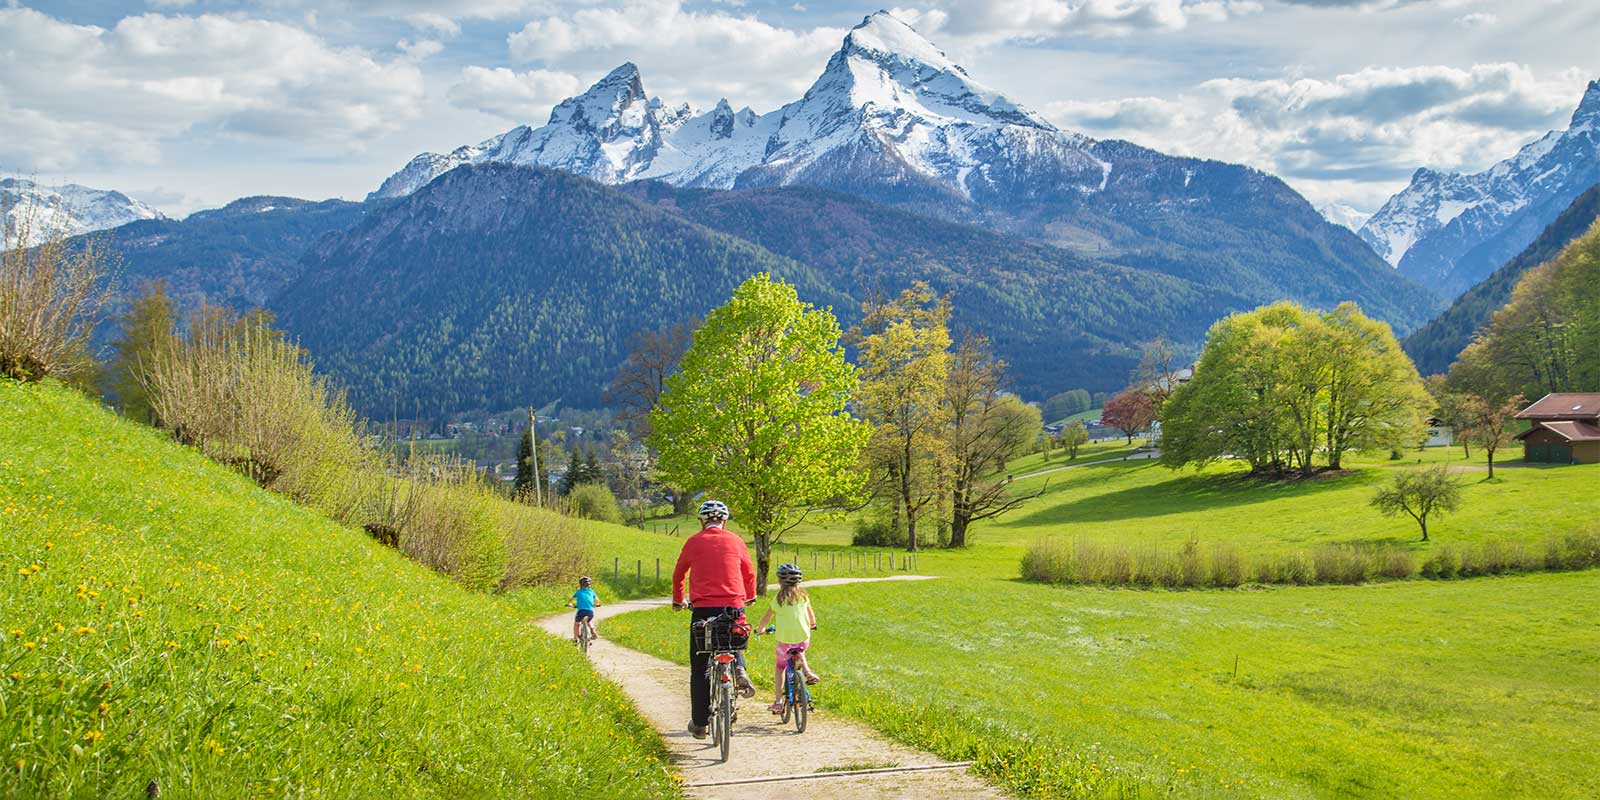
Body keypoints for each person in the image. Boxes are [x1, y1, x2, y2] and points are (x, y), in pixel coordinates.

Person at [672, 499, 757, 740]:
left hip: (703, 609)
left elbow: (679, 574)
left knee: (700, 666)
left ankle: (700, 724)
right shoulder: (736, 541)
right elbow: (749, 572)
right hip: (734, 606)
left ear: (702, 521)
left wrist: (678, 600)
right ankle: (739, 667)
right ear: (724, 521)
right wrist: (750, 596)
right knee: (733, 637)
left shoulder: (693, 541)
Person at [756, 563, 819, 714]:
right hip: (803, 637)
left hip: (784, 641)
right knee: (800, 649)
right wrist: (812, 625)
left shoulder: (779, 599)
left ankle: (778, 702)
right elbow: (811, 615)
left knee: (780, 668)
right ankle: (807, 671)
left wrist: (760, 630)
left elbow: (766, 617)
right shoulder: (803, 596)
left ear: (780, 581)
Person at [566, 576, 599, 642]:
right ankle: (592, 629)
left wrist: (569, 604)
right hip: (590, 611)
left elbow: (571, 600)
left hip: (581, 611)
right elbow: (597, 600)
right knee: (589, 621)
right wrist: (595, 605)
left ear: (580, 584)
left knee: (576, 623)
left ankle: (575, 638)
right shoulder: (591, 591)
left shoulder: (578, 592)